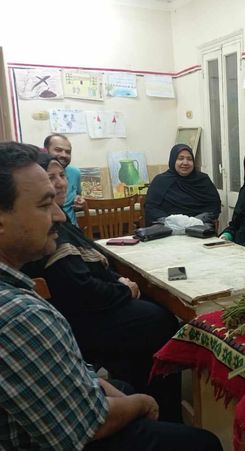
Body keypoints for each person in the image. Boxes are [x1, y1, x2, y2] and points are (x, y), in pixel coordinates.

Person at [0, 141, 222, 450]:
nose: (59, 216)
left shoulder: (19, 289)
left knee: (147, 325)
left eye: (60, 178)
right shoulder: (21, 316)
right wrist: (142, 404)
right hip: (78, 420)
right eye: (43, 204)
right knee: (205, 442)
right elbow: (85, 424)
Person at [22, 152, 183, 423]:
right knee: (161, 320)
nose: (59, 183)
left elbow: (92, 268)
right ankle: (162, 410)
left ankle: (137, 386)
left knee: (153, 307)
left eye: (62, 175)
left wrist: (118, 281)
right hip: (81, 322)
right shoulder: (48, 231)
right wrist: (124, 289)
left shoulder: (61, 222)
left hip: (92, 309)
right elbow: (81, 289)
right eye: (51, 178)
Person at [145, 143, 221, 225]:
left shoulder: (203, 180)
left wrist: (194, 221)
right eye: (180, 158)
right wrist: (170, 221)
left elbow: (214, 206)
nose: (185, 162)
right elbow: (151, 208)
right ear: (173, 160)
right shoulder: (160, 181)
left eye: (189, 159)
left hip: (199, 226)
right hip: (168, 227)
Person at [44, 133, 85, 224]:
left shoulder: (75, 173)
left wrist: (79, 202)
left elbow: (78, 195)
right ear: (46, 151)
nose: (64, 155)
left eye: (68, 152)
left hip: (72, 227)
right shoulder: (39, 174)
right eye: (58, 150)